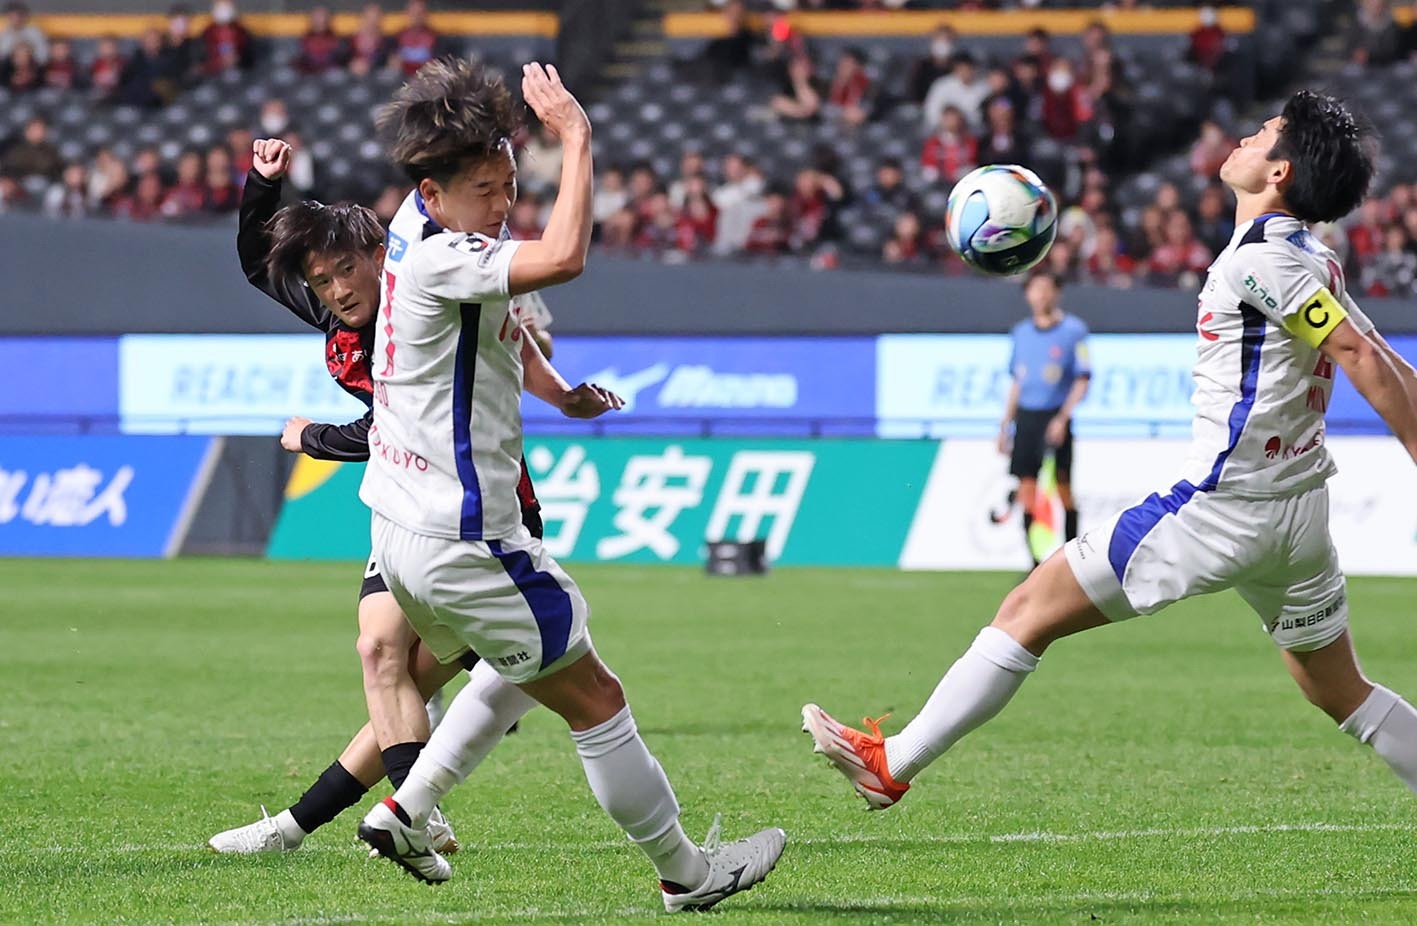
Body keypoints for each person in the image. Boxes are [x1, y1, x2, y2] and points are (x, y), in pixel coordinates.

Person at [804, 90, 1417, 815]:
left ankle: (891, 764)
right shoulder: (1313, 258)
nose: (1244, 137)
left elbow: (1358, 354)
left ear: (1278, 172)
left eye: (1262, 133)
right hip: (1300, 512)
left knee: (1027, 609)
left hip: (1223, 506)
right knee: (1340, 691)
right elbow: (1379, 351)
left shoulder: (1261, 263)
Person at [351, 58, 785, 910]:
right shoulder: (443, 257)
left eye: (510, 184)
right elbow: (564, 257)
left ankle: (407, 809)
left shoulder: (409, 222)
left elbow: (501, 323)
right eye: (485, 191)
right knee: (595, 697)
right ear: (434, 192)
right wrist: (577, 136)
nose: (502, 204)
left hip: (401, 527)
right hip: (462, 536)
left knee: (522, 663)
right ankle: (687, 875)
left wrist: (557, 392)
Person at [208, 137, 620, 855]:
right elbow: (257, 262)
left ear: (380, 257)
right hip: (408, 508)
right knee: (379, 654)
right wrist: (261, 183)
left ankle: (333, 821)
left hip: (481, 515)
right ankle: (398, 821)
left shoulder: (420, 301)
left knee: (414, 677)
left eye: (346, 269)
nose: (337, 289)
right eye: (322, 279)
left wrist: (312, 438)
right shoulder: (343, 312)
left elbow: (388, 423)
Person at [996, 271, 1090, 568]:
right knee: (1027, 487)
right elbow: (1017, 381)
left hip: (1054, 417)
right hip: (1026, 418)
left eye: (1046, 288)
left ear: (1056, 293)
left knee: (1062, 486)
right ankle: (1034, 563)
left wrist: (1063, 417)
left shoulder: (1074, 331)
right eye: (1035, 289)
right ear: (1027, 295)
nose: (1041, 295)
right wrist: (1005, 423)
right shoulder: (1021, 332)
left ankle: (1071, 562)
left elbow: (1083, 378)